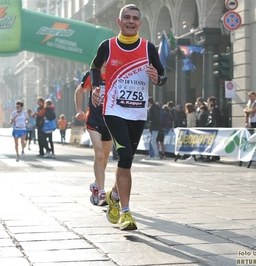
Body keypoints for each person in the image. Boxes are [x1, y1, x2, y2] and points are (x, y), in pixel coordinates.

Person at [90, 4, 167, 230]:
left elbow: (163, 76)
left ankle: (114, 195)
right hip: (113, 109)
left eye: (135, 18)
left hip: (137, 112)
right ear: (119, 21)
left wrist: (156, 78)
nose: (131, 21)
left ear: (140, 24)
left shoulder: (148, 48)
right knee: (123, 157)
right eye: (127, 17)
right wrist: (97, 87)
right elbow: (94, 68)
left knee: (128, 161)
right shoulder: (108, 46)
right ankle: (125, 213)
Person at [74, 68, 113, 206]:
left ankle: (96, 184)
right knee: (99, 155)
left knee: (105, 158)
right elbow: (79, 91)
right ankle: (102, 192)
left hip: (111, 120)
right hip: (94, 120)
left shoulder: (115, 71)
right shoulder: (92, 74)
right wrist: (79, 110)